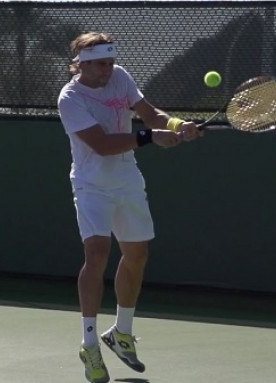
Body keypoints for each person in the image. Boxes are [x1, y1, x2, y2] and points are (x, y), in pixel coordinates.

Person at [57, 32, 203, 383]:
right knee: (97, 254)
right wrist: (150, 137)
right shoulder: (71, 98)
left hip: (127, 180)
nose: (108, 69)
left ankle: (121, 332)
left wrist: (175, 125)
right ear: (83, 63)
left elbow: (149, 113)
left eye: (110, 62)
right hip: (91, 184)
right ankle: (89, 343)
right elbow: (103, 145)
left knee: (137, 255)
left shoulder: (120, 76)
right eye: (101, 64)